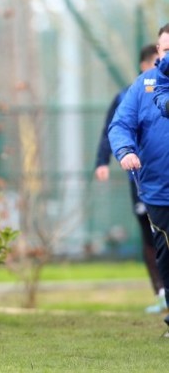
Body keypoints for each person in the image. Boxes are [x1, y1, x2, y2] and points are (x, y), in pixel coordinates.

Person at [94, 44, 165, 313]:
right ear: (146, 65)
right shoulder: (131, 93)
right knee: (151, 239)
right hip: (144, 182)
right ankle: (160, 292)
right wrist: (105, 160)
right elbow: (112, 128)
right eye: (161, 57)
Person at [109, 23, 169, 333]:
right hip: (159, 190)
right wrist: (124, 151)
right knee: (167, 254)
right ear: (158, 52)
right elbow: (120, 125)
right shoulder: (143, 86)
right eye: (167, 50)